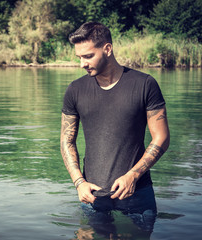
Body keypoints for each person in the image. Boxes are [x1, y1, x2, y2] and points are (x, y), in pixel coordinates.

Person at [60, 22, 170, 231]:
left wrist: (132, 176)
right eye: (79, 57)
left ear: (107, 49)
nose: (82, 63)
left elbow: (162, 138)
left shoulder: (145, 84)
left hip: (138, 195)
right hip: (92, 197)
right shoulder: (75, 90)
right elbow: (66, 140)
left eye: (88, 56)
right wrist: (78, 182)